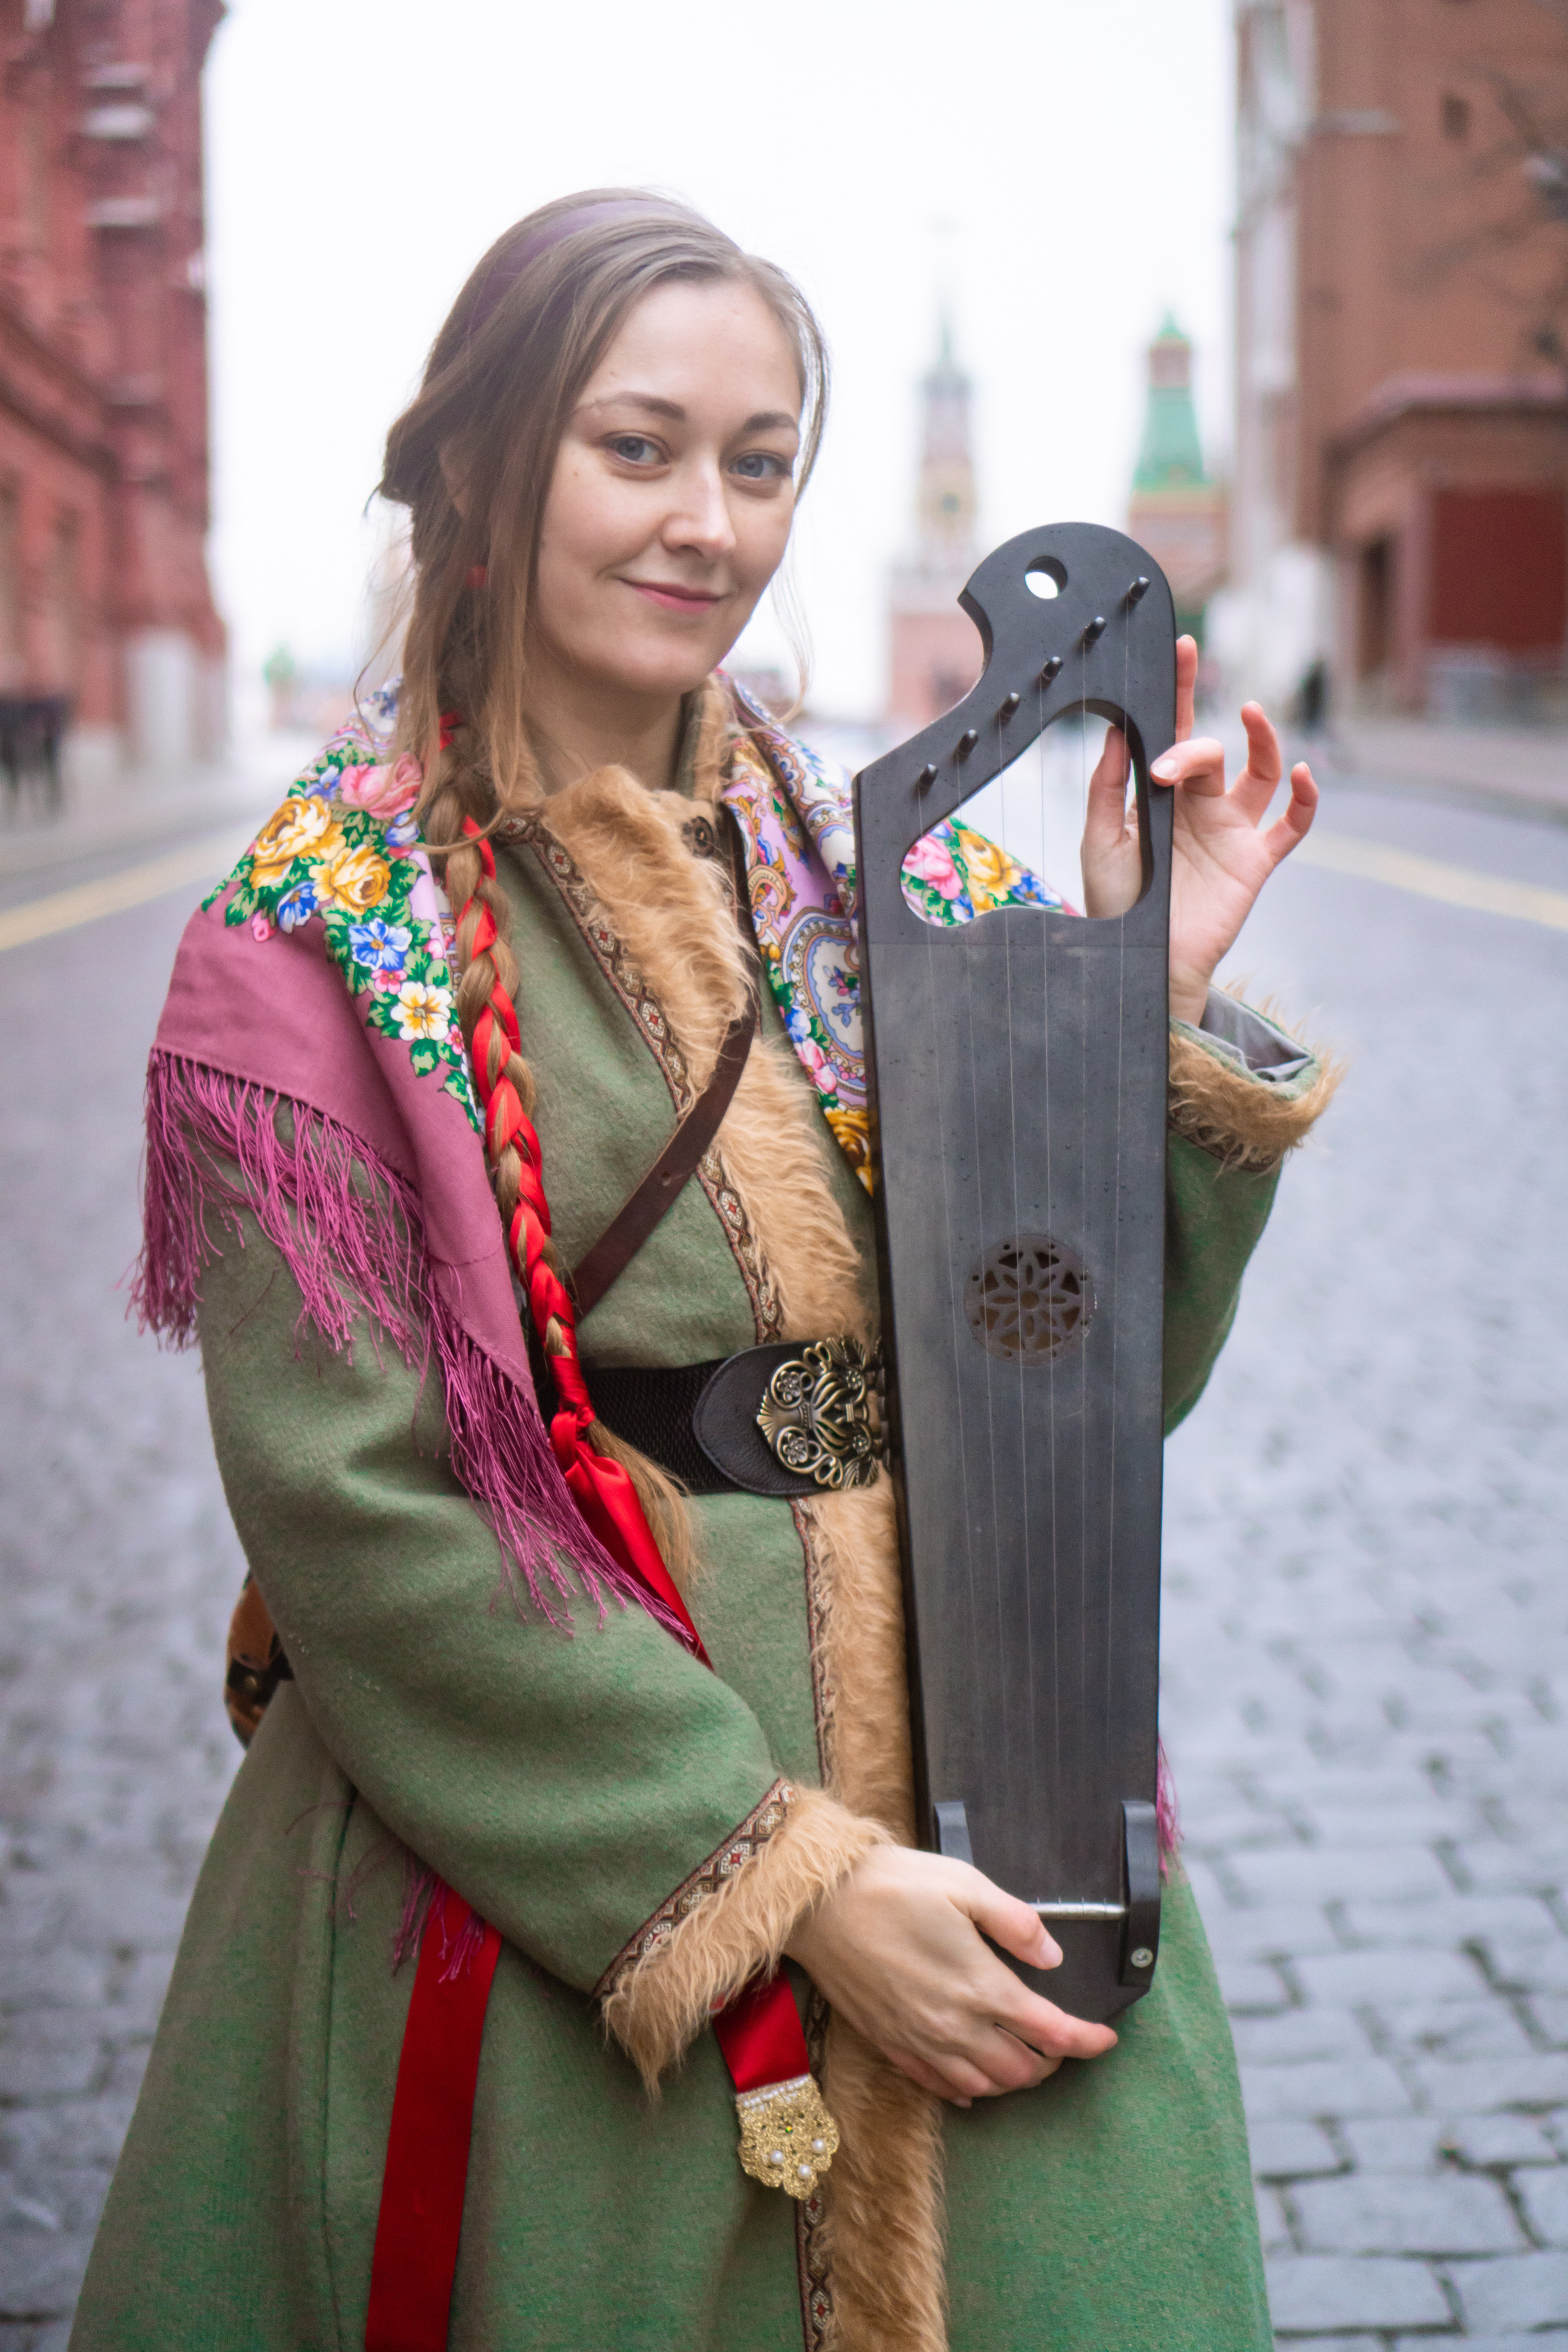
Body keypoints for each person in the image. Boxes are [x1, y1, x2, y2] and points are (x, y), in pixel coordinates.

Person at [71, 190, 1335, 2352]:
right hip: (586, 1877)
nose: (709, 525)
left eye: (759, 465)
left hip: (987, 1786)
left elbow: (1079, 1382)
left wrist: (1146, 992)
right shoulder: (316, 938)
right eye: (638, 448)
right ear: (483, 467)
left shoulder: (878, 869)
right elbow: (366, 1519)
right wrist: (794, 1889)